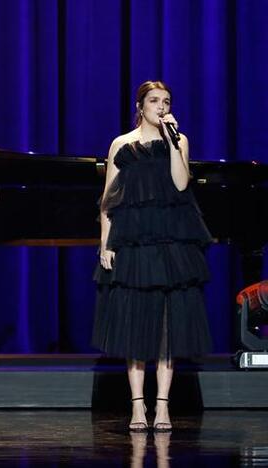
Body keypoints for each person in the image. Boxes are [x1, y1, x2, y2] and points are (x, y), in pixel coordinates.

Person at [92, 81, 213, 432]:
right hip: (133, 242)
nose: (161, 107)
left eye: (167, 101)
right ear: (140, 105)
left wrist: (174, 141)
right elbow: (108, 200)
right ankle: (137, 407)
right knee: (134, 322)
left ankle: (162, 407)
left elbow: (179, 184)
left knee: (166, 327)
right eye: (154, 101)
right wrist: (105, 243)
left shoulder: (179, 140)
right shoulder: (123, 145)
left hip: (171, 243)